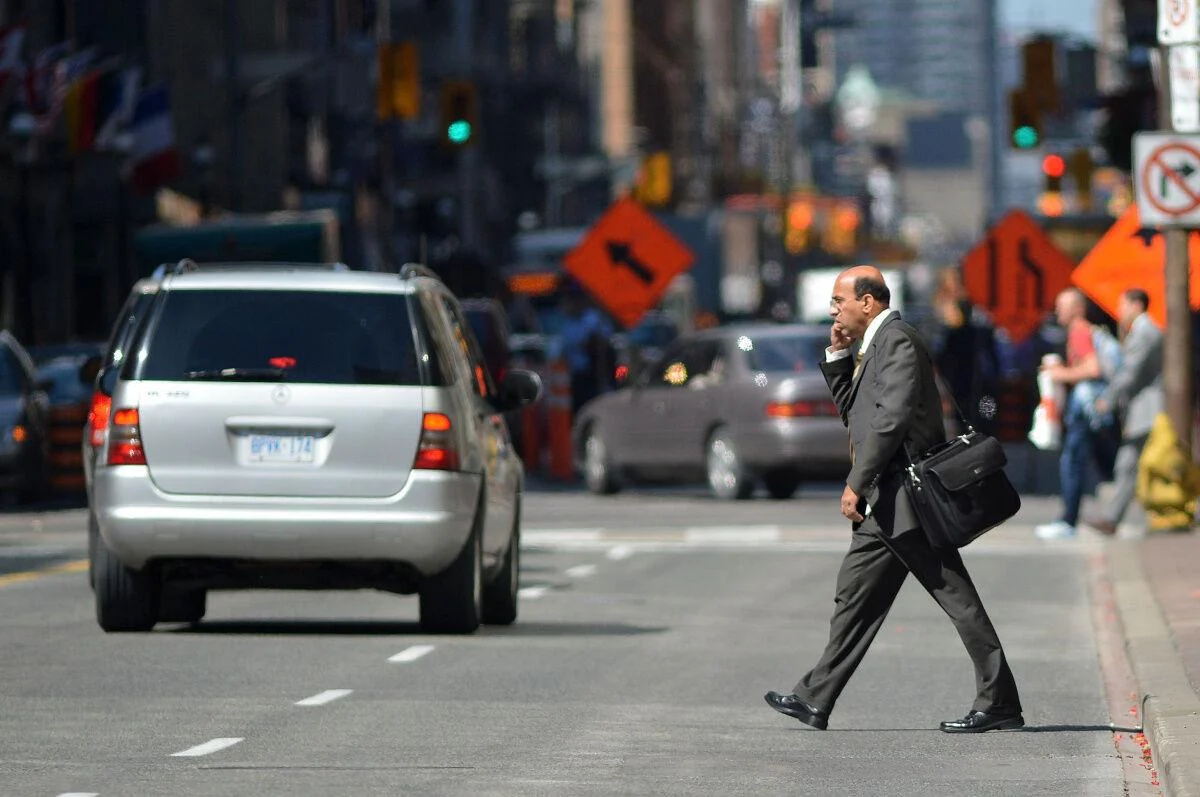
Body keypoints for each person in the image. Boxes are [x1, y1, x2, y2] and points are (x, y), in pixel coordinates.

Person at [764, 266, 1024, 734]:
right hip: (885, 505)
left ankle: (999, 700)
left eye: (839, 300)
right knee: (854, 597)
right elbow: (856, 415)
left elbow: (892, 421)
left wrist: (856, 481)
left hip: (907, 501)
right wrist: (838, 356)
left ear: (868, 302)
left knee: (957, 599)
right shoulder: (872, 346)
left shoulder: (898, 340)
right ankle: (813, 698)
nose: (832, 309)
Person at [1083, 289, 1164, 536]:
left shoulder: (1145, 332)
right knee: (1128, 464)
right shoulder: (1140, 331)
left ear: (1136, 305)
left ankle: (1113, 518)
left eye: (1123, 305)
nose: (1119, 311)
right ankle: (1111, 518)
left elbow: (1129, 372)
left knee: (1132, 464)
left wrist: (1107, 399)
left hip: (1147, 409)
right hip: (1141, 410)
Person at [1035, 288, 1113, 540]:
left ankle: (1069, 519)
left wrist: (1060, 374)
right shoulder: (1081, 331)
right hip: (1088, 406)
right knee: (1092, 461)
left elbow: (1093, 368)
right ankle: (1078, 517)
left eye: (1062, 305)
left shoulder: (1079, 330)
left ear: (1077, 308)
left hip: (1084, 407)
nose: (1057, 310)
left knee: (1072, 462)